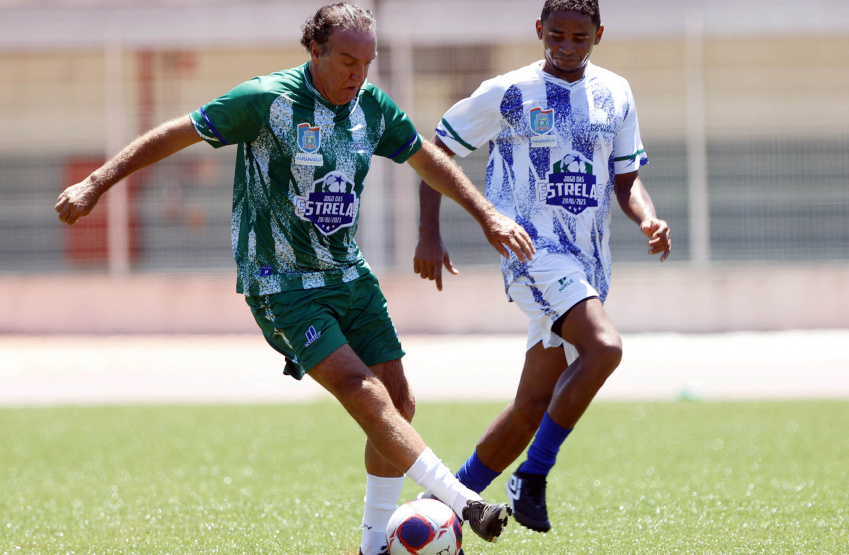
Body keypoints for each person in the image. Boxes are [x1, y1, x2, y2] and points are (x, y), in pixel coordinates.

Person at [55, 4, 534, 554]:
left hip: (348, 273)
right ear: (316, 51)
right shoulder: (267, 100)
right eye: (348, 61)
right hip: (280, 282)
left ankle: (372, 546)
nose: (359, 74)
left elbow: (425, 158)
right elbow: (176, 134)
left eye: (367, 63)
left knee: (399, 403)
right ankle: (465, 503)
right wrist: (95, 183)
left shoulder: (370, 108)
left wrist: (487, 214)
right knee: (366, 393)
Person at [413, 0, 672, 534]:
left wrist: (647, 218)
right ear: (539, 31)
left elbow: (626, 179)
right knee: (605, 348)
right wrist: (429, 233)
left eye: (580, 38)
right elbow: (438, 150)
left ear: (599, 34)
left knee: (531, 404)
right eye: (556, 36)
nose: (567, 47)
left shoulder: (616, 92)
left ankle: (438, 511)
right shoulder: (509, 92)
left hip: (588, 266)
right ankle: (532, 475)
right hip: (531, 253)